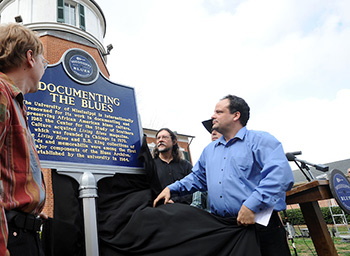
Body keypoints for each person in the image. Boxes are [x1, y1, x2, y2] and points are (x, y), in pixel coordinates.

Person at [154, 95, 294, 256]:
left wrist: (252, 205)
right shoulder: (209, 151)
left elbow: (280, 175)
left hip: (261, 226)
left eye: (219, 112)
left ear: (236, 115)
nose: (213, 116)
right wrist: (172, 189)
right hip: (226, 228)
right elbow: (197, 178)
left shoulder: (261, 140)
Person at [0, 23, 48, 256]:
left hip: (22, 229)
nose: (44, 66)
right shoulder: (1, 93)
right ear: (30, 57)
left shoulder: (17, 103)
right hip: (9, 237)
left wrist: (30, 209)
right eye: (43, 61)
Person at [153, 128, 193, 204]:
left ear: (174, 141)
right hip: (158, 210)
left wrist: (176, 200)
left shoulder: (186, 165)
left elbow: (192, 188)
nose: (160, 140)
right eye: (158, 138)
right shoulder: (151, 165)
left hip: (183, 209)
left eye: (164, 137)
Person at [191, 119, 222, 211]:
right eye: (212, 131)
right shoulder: (207, 158)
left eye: (217, 130)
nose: (213, 133)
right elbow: (197, 202)